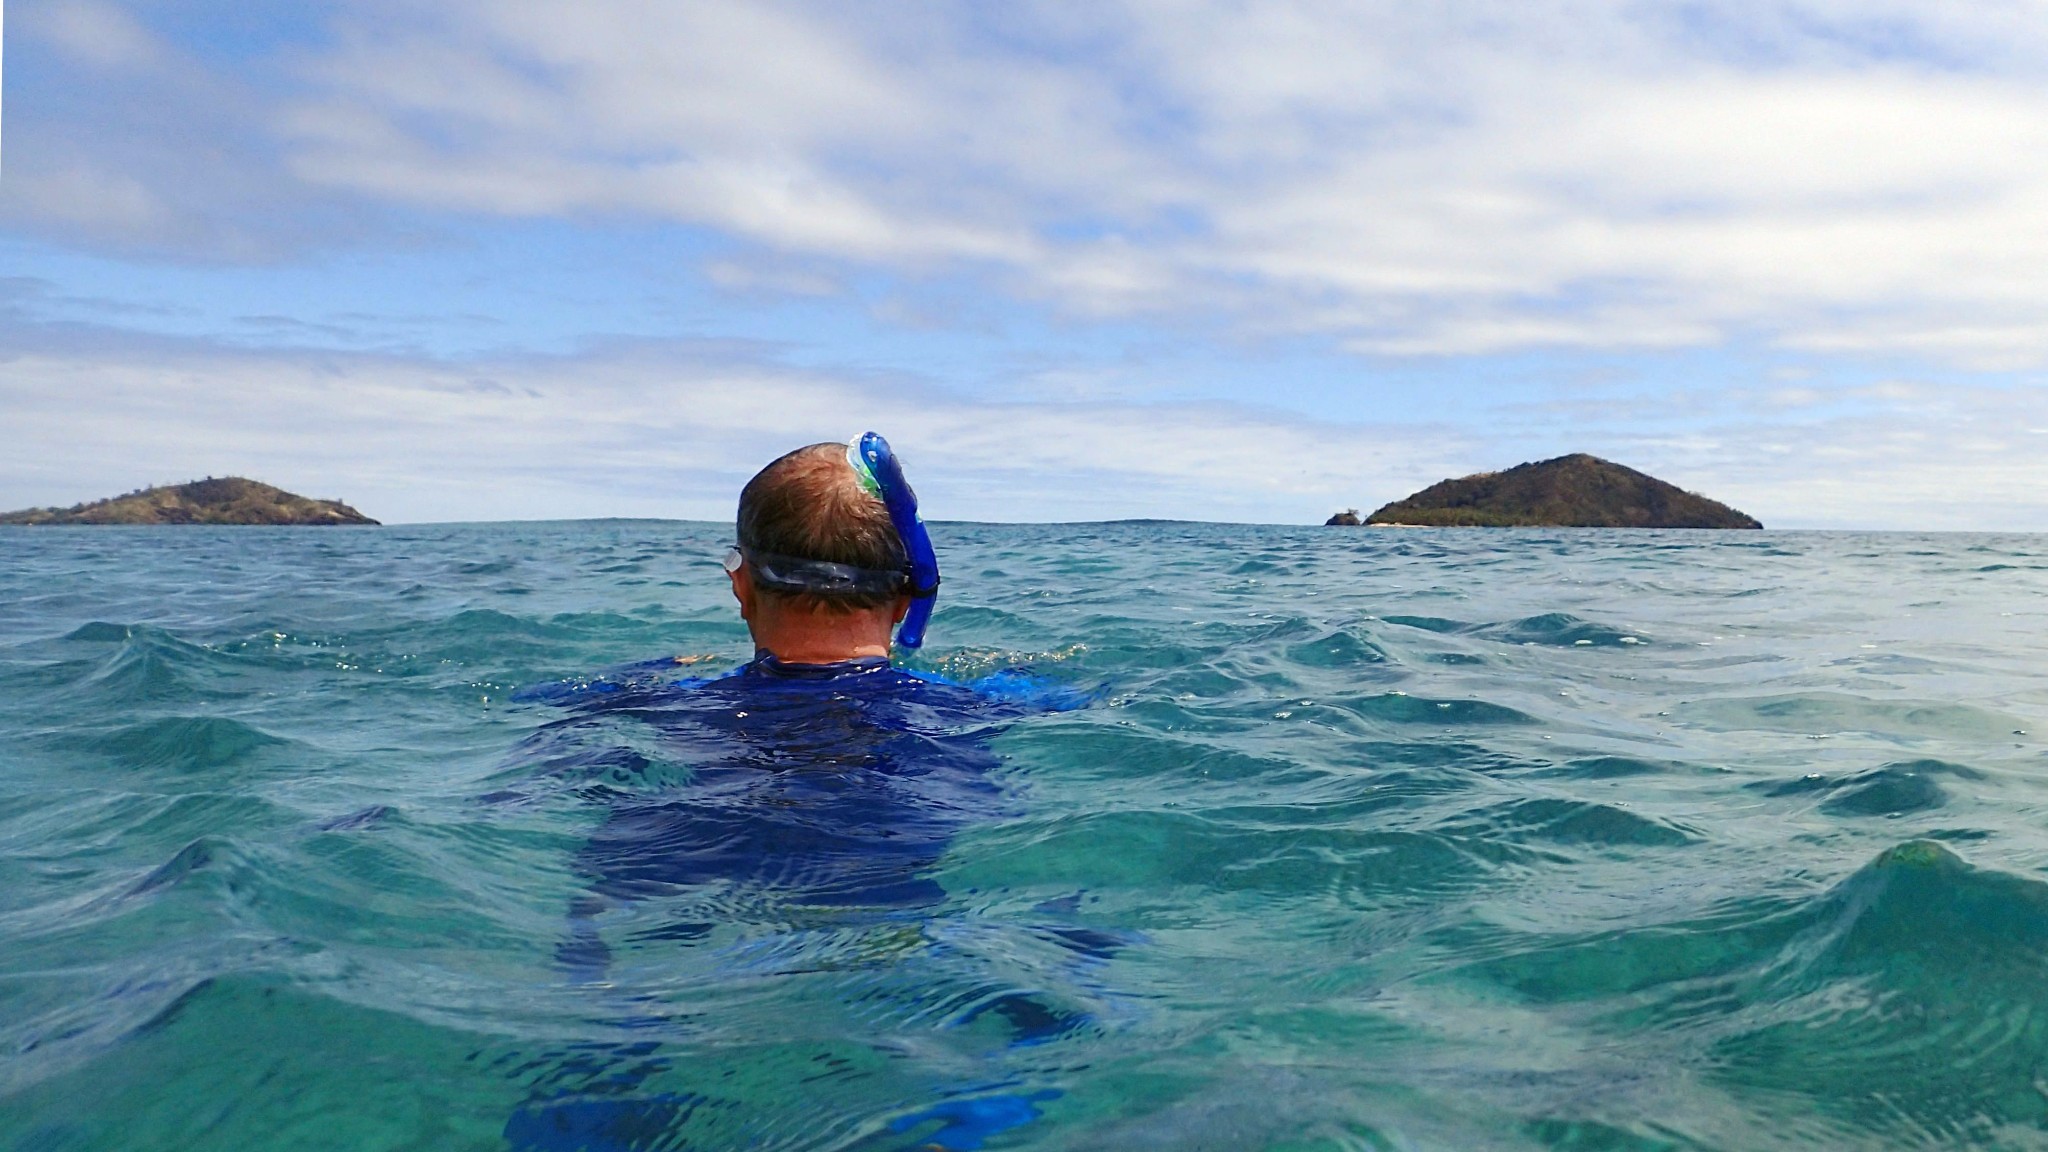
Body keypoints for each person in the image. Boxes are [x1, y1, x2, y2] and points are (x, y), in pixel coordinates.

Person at [500, 435, 1096, 1152]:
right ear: (908, 594)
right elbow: (1069, 700)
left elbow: (539, 701)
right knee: (1074, 931)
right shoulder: (991, 704)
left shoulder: (666, 700)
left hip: (699, 856)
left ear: (741, 586)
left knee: (599, 917)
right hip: (901, 863)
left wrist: (655, 670)